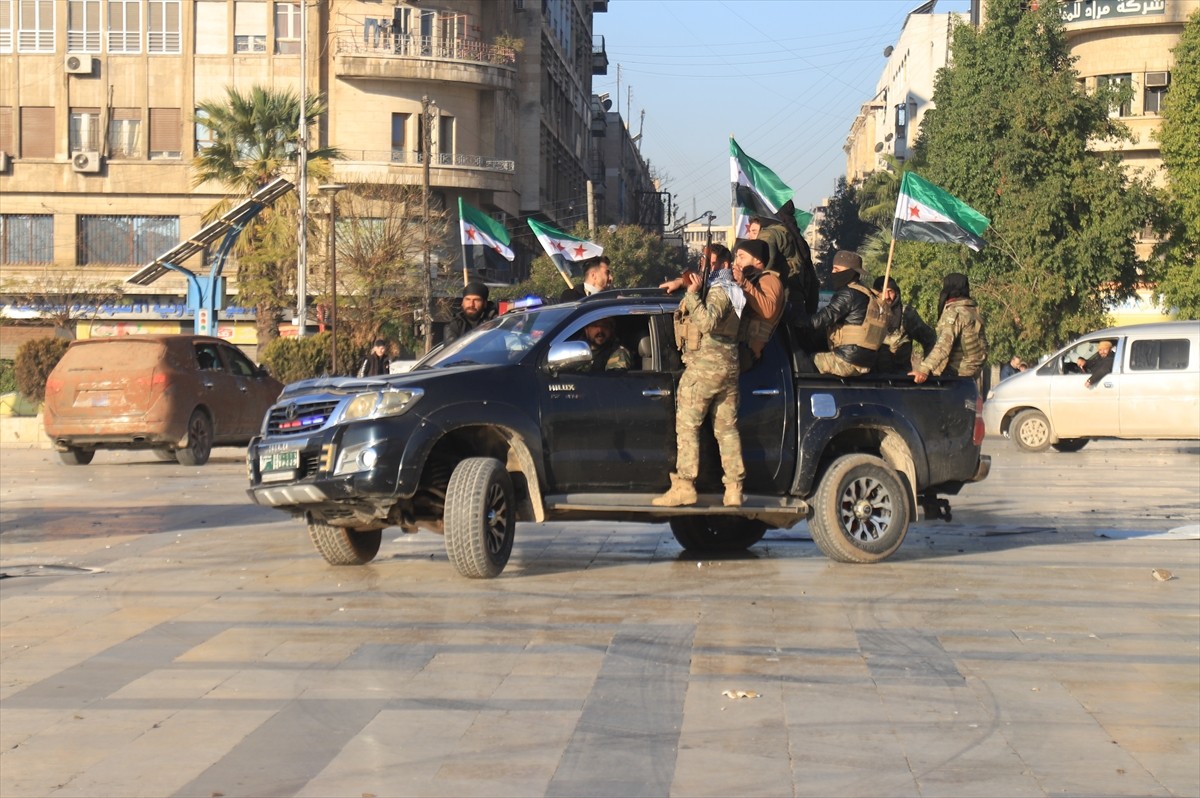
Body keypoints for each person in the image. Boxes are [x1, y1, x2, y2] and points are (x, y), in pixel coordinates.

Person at [652, 248, 745, 508]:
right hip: (729, 366)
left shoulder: (719, 290)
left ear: (724, 263)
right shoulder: (734, 288)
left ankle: (684, 485)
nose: (704, 266)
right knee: (726, 430)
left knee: (687, 426)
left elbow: (707, 323)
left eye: (709, 262)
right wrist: (684, 282)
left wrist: (691, 295)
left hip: (705, 368)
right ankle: (734, 489)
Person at [789, 250, 883, 377]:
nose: (833, 273)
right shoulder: (867, 294)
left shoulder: (848, 293)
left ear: (850, 271)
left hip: (846, 361)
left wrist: (793, 318)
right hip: (865, 363)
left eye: (837, 270)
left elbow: (821, 320)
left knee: (802, 362)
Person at [910, 272, 988, 386]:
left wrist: (924, 369)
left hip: (957, 374)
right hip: (972, 374)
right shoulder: (973, 311)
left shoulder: (955, 312)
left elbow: (944, 345)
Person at [731, 238, 785, 370]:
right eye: (736, 257)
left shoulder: (769, 280)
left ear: (758, 260)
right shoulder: (750, 280)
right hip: (738, 350)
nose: (737, 262)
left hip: (751, 357)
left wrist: (744, 284)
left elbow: (769, 311)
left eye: (741, 257)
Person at [872, 276, 936, 375]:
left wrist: (925, 369)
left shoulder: (906, 314)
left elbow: (930, 339)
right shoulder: (868, 312)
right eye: (882, 292)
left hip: (900, 378)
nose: (887, 296)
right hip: (872, 378)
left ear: (896, 292)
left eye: (890, 291)